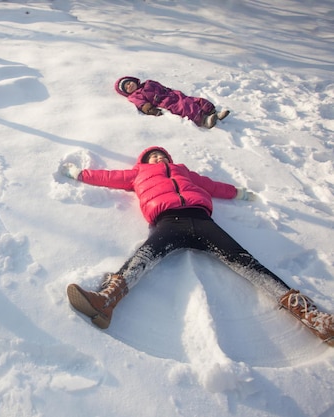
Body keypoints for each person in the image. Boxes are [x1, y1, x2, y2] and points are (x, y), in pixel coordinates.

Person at [60, 146, 334, 346]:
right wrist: (79, 174)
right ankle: (105, 301)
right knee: (142, 257)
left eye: (162, 155)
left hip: (202, 220)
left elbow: (212, 186)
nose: (158, 158)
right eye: (152, 156)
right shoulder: (136, 174)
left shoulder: (184, 172)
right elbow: (108, 177)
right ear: (144, 160)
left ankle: (312, 316)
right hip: (168, 222)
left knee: (246, 262)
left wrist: (239, 193)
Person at [115, 76, 230, 129]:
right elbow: (142, 105)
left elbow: (159, 85)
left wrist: (170, 91)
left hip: (172, 94)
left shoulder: (148, 82)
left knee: (195, 100)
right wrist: (151, 110)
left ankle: (213, 112)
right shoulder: (135, 96)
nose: (129, 86)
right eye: (126, 87)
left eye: (129, 83)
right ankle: (204, 120)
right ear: (126, 92)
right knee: (185, 108)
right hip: (164, 102)